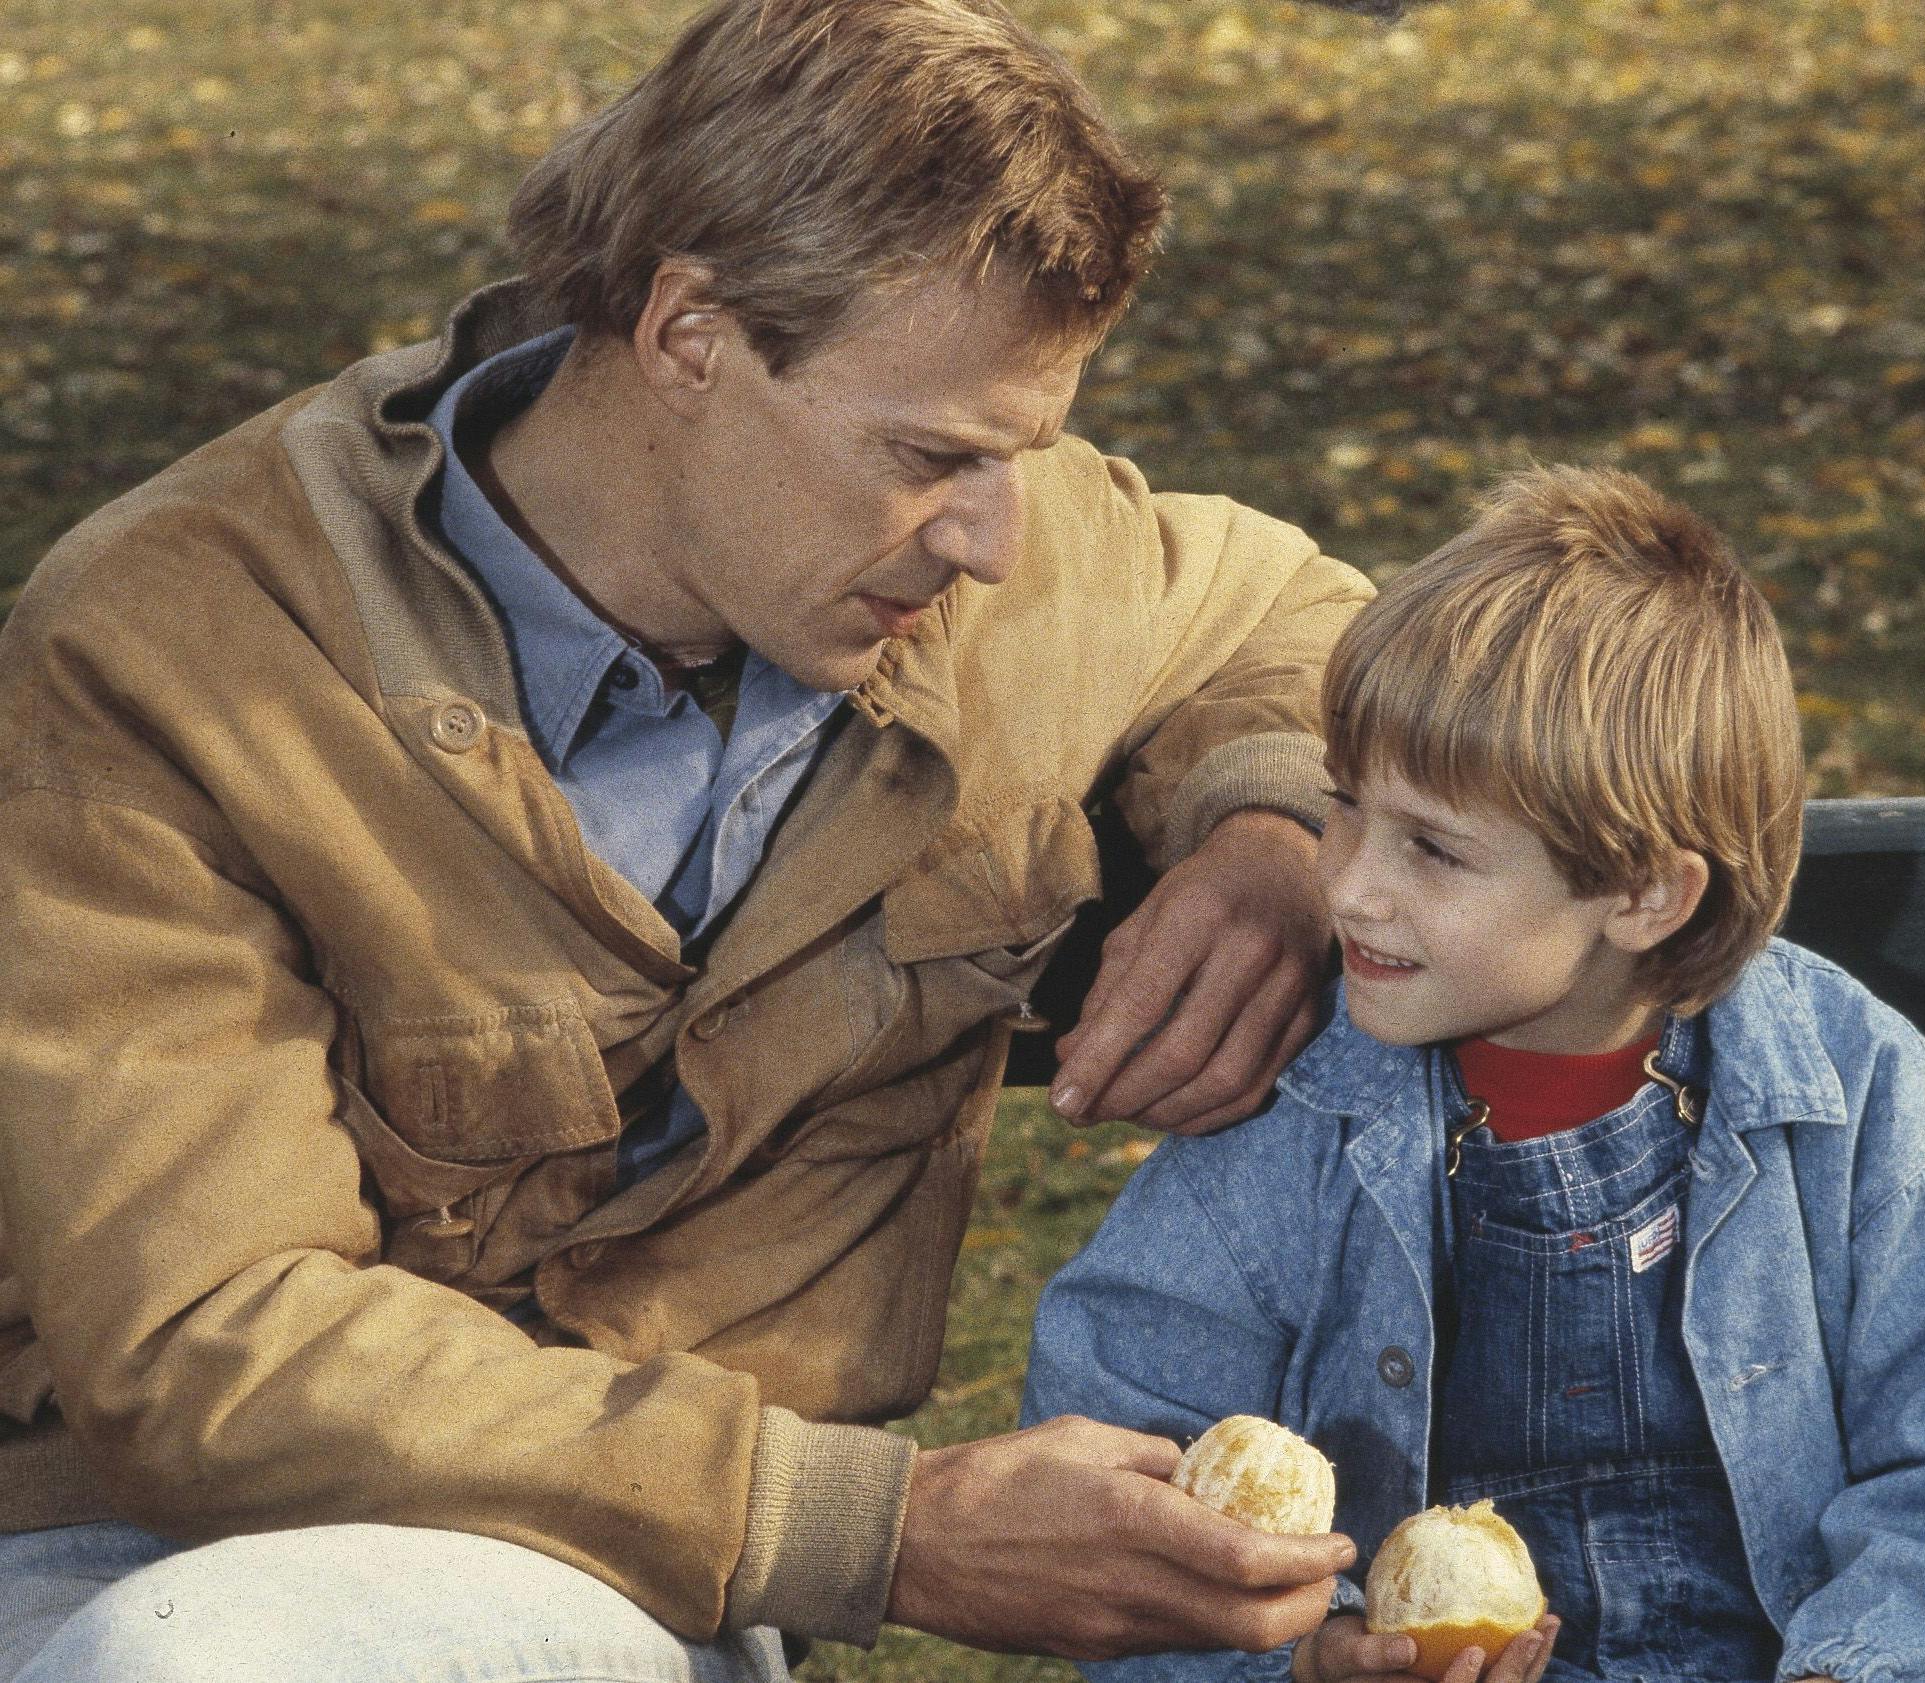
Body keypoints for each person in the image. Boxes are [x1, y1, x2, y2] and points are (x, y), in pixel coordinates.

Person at [0, 0, 1379, 1676]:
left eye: (1019, 451)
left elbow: (1303, 619)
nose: (998, 537)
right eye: (931, 453)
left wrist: (1271, 823)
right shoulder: (170, 648)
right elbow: (204, 1342)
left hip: (637, 1593)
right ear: (687, 338)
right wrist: (881, 1526)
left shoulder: (996, 568)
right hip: (130, 1547)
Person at [1022, 465, 1925, 1683]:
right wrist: (1316, 1652)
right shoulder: (1294, 1111)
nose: (1344, 885)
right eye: (1344, 809)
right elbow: (1127, 1434)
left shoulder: (1857, 1100)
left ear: (1645, 893)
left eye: (1432, 849)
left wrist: (1862, 1664)